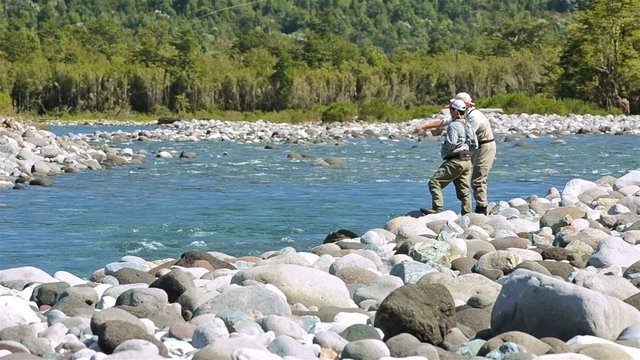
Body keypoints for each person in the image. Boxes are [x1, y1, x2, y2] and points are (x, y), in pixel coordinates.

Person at [414, 92, 496, 215]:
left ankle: (481, 210)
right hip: (471, 149)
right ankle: (467, 213)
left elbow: (461, 136)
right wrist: (423, 127)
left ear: (464, 106)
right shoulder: (463, 115)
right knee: (463, 183)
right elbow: (444, 123)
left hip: (485, 146)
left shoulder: (475, 117)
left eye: (452, 107)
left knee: (477, 180)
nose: (450, 108)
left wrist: (445, 149)